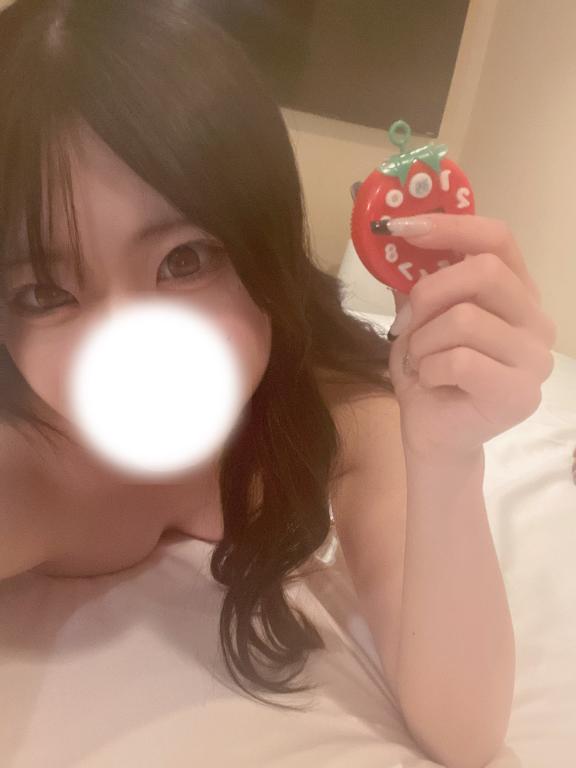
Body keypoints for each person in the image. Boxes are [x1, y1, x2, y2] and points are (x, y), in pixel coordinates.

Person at [0, 1, 557, 764]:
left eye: (185, 259)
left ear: (267, 247)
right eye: (44, 293)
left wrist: (449, 458)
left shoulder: (336, 407)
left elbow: (464, 732)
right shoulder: (22, 455)